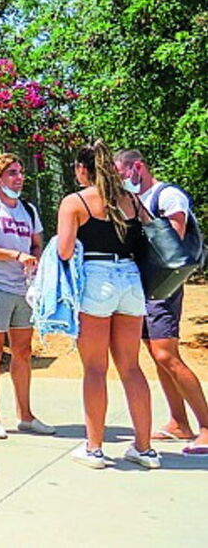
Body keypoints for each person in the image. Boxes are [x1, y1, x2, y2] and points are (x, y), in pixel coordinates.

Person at [58, 140, 159, 469]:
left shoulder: (75, 202)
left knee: (96, 368)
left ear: (83, 169)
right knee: (131, 367)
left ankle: (95, 448)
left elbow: (64, 251)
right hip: (130, 279)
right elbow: (151, 230)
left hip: (96, 279)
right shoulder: (130, 199)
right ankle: (144, 449)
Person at [115, 149, 208, 452]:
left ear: (137, 167)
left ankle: (206, 426)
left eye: (120, 172)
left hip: (163, 286)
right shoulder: (128, 200)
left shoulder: (168, 196)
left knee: (167, 354)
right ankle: (179, 422)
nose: (118, 179)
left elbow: (173, 240)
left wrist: (141, 215)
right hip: (142, 286)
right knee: (156, 356)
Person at [0, 153, 54, 439]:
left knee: (23, 351)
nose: (18, 178)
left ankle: (25, 415)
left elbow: (37, 243)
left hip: (24, 288)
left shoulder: (28, 210)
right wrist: (14, 255)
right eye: (12, 173)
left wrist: (37, 261)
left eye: (20, 172)